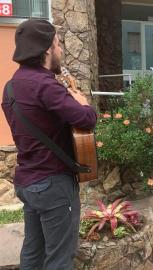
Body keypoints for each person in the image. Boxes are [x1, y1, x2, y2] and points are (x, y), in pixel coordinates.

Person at [1, 19, 97, 269]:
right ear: (46, 51)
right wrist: (81, 101)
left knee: (33, 253)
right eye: (58, 44)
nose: (61, 50)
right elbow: (87, 119)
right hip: (53, 184)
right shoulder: (46, 85)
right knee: (59, 259)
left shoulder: (10, 87)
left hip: (28, 182)